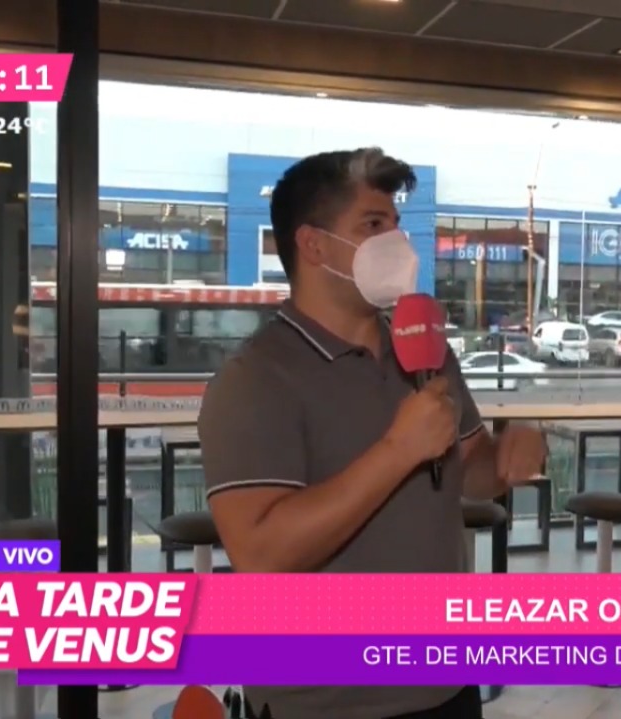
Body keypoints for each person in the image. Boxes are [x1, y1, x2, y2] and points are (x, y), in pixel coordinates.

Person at [198, 147, 548, 719]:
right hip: (323, 702)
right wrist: (396, 451)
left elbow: (472, 473)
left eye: (396, 224)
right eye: (373, 225)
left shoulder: (426, 351)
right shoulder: (255, 378)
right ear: (313, 244)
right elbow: (261, 554)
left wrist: (509, 453)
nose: (397, 243)